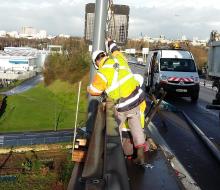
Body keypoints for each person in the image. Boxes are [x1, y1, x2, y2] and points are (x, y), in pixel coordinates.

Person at [87, 39, 148, 164]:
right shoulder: (119, 58)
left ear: (96, 63)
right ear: (105, 55)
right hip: (136, 100)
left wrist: (88, 87)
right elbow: (115, 50)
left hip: (122, 105)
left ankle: (116, 157)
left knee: (115, 130)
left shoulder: (103, 72)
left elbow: (95, 91)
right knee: (136, 127)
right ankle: (140, 154)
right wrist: (110, 42)